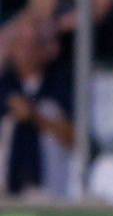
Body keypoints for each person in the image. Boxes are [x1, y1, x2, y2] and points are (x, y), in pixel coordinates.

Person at [0, 17, 71, 197]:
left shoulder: (61, 86)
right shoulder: (4, 87)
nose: (27, 51)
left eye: (34, 44)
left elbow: (77, 140)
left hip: (49, 192)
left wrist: (35, 117)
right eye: (21, 44)